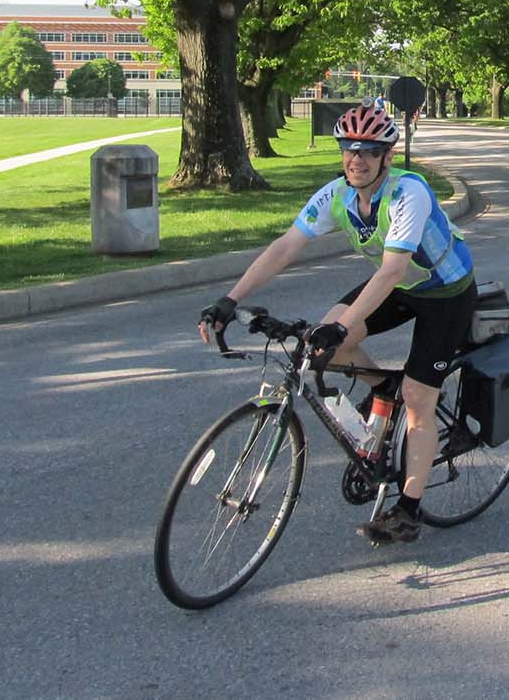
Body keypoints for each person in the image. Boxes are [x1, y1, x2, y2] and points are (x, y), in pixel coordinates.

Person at [198, 99, 479, 546]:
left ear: (388, 156)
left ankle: (408, 508)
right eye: (349, 148)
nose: (357, 159)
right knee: (319, 346)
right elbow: (286, 246)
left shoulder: (410, 192)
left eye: (369, 150)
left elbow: (390, 270)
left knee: (417, 398)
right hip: (400, 288)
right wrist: (230, 299)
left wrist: (345, 325)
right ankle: (377, 386)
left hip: (444, 294)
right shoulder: (338, 196)